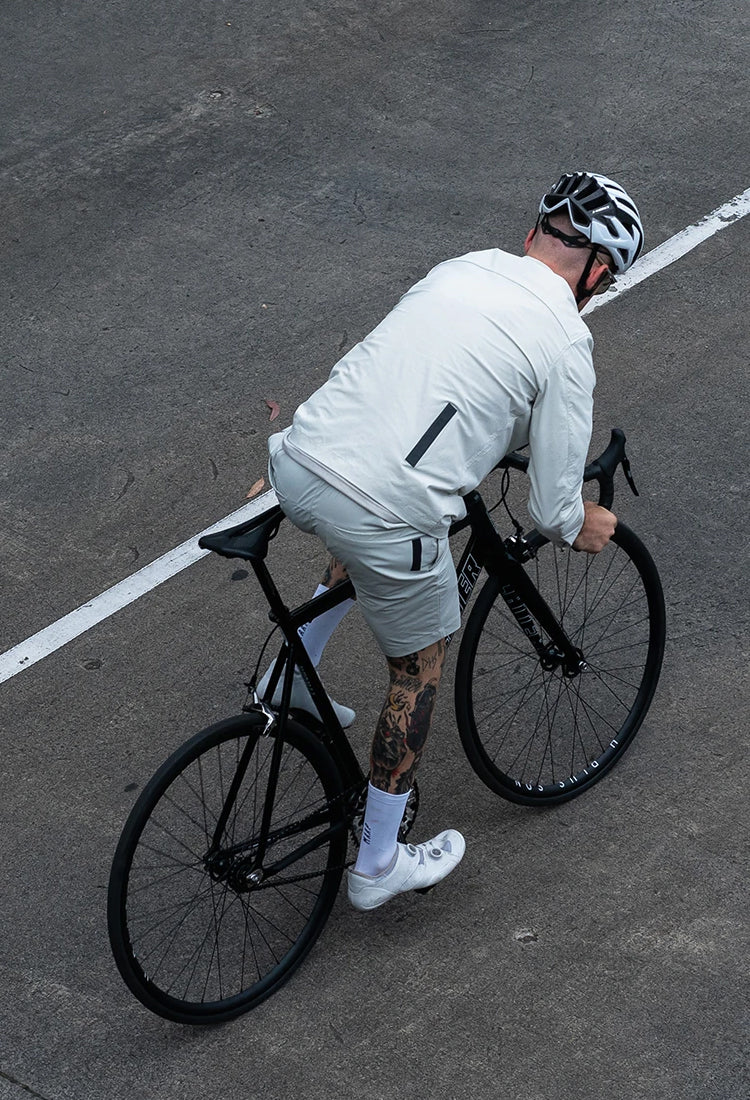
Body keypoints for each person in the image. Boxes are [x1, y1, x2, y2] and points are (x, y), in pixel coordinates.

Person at [261, 171, 645, 912]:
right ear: (598, 273)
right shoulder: (566, 339)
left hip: (302, 459)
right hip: (383, 507)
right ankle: (378, 863)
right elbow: (552, 506)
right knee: (418, 668)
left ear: (534, 232)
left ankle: (289, 673)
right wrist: (582, 524)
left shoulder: (464, 267)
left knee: (363, 534)